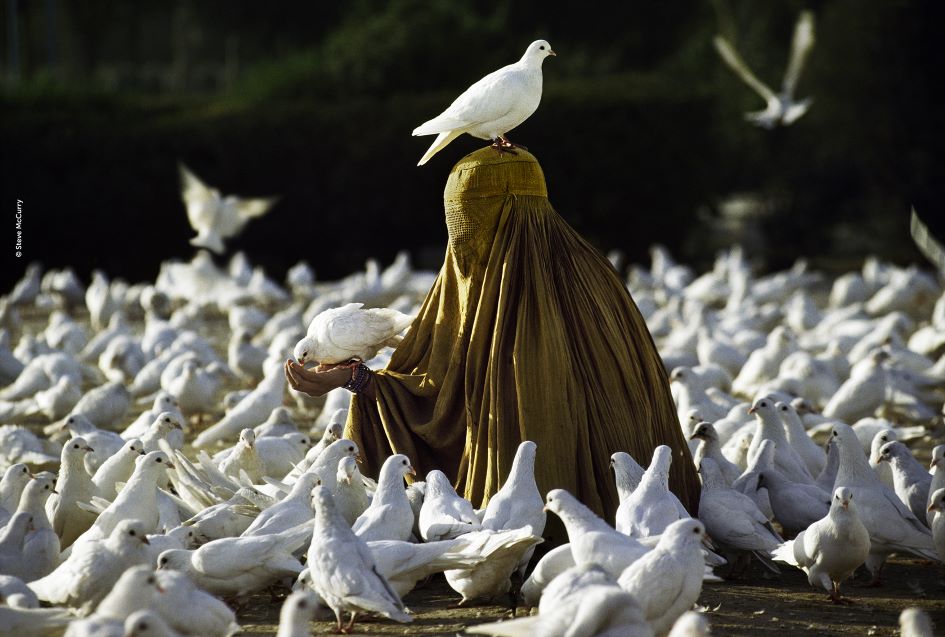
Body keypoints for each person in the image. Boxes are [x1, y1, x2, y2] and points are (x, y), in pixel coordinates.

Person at [285, 147, 700, 523]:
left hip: (557, 517)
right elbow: (438, 395)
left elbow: (472, 418)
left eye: (471, 221)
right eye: (456, 223)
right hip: (651, 514)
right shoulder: (585, 275)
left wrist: (358, 381)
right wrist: (351, 377)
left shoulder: (548, 293)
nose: (463, 240)